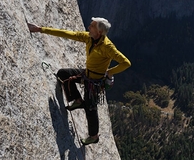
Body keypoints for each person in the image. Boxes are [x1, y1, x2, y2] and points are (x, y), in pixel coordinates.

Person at [27, 17, 131, 145]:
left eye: (91, 26)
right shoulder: (89, 38)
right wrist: (40, 29)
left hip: (95, 82)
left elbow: (126, 63)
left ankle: (93, 136)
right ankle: (77, 100)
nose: (88, 27)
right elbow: (69, 34)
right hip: (87, 75)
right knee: (63, 74)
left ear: (99, 32)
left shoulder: (108, 47)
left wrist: (109, 72)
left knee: (90, 109)